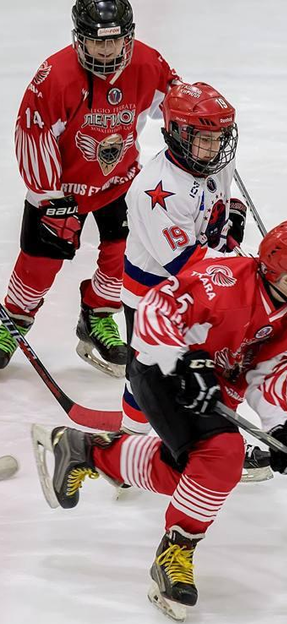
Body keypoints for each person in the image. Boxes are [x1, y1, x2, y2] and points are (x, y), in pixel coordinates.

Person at [32, 220, 287, 621]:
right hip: (162, 370)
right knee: (223, 454)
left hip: (210, 386)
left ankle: (86, 452)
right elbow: (153, 311)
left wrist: (282, 429)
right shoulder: (223, 282)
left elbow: (270, 378)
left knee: (191, 474)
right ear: (277, 272)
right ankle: (176, 551)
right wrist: (181, 359)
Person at [0, 0, 179, 376]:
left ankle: (96, 316)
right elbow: (33, 133)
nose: (107, 50)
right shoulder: (55, 75)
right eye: (96, 42)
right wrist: (49, 198)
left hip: (119, 180)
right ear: (79, 38)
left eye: (114, 42)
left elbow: (175, 102)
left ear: (128, 37)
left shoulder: (148, 64)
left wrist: (195, 128)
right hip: (63, 187)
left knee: (124, 251)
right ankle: (12, 319)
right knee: (42, 260)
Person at [120, 81, 242, 434]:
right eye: (203, 138)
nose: (213, 147)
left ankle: (212, 437)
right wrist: (249, 271)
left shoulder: (213, 159)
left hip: (198, 288)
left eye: (220, 137)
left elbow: (223, 197)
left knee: (211, 369)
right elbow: (185, 264)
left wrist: (233, 216)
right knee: (147, 372)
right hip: (155, 297)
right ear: (174, 132)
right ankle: (129, 438)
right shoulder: (155, 190)